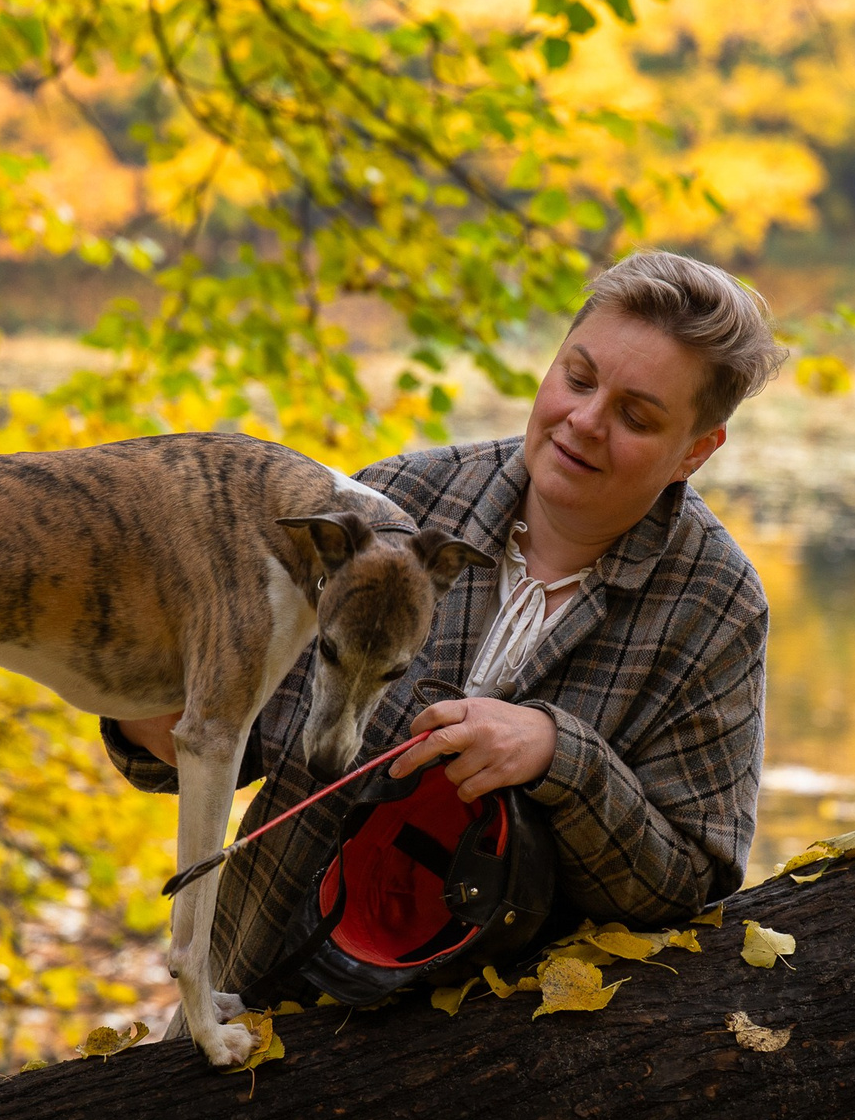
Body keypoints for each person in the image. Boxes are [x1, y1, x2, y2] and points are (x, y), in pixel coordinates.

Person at [102, 250, 788, 997]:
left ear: (697, 450)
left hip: (499, 1047)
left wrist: (562, 757)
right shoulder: (396, 499)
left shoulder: (717, 606)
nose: (585, 421)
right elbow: (223, 742)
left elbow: (689, 886)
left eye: (635, 416)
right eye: (578, 378)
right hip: (245, 991)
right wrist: (149, 702)